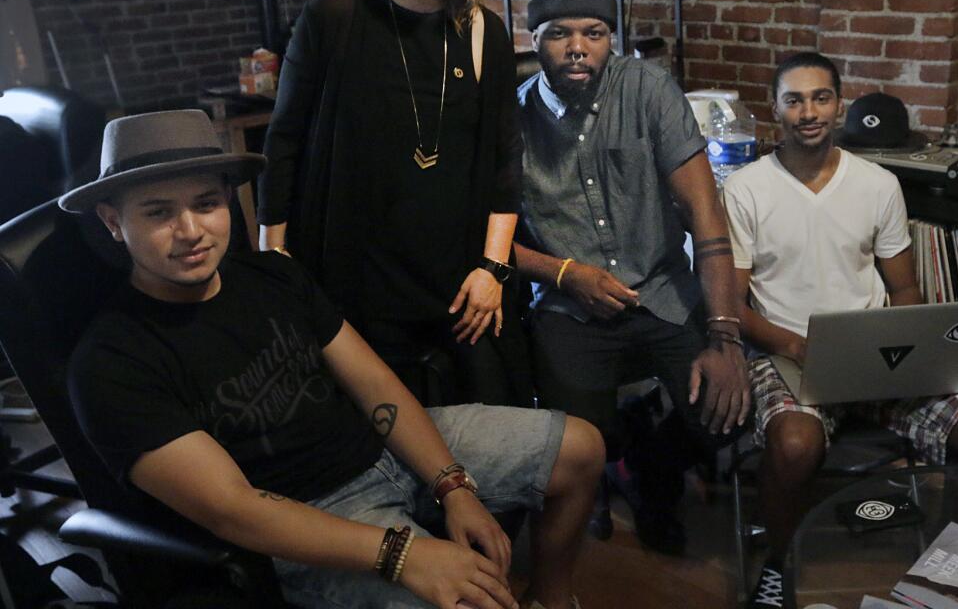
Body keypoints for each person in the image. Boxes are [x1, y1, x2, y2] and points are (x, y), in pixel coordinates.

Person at [61, 109, 603, 609]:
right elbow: (235, 508)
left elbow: (374, 382)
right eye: (158, 212)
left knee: (580, 448)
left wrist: (452, 484)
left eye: (206, 203)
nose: (190, 231)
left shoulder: (274, 276)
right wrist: (405, 554)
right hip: (307, 516)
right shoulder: (110, 363)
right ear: (113, 221)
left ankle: (551, 600)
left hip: (378, 450)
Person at [721, 53, 958, 609]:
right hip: (788, 352)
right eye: (794, 100)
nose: (808, 111)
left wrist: (913, 347)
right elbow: (732, 306)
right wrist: (794, 344)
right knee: (794, 444)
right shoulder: (744, 189)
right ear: (776, 110)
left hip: (881, 357)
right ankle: (780, 565)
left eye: (820, 98)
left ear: (840, 105)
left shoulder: (878, 183)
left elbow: (905, 290)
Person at [257, 0, 529, 406]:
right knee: (380, 449)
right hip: (356, 286)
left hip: (460, 286)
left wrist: (492, 269)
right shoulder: (334, 16)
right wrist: (274, 258)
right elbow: (283, 141)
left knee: (494, 438)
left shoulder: (482, 30)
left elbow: (506, 160)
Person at [511, 0, 750, 554]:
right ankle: (618, 456)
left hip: (662, 290)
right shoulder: (509, 119)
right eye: (559, 33)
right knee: (584, 444)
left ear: (611, 36)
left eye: (594, 32)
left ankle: (653, 466)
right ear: (533, 38)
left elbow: (706, 215)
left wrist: (725, 336)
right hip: (570, 307)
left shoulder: (648, 88)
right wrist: (564, 274)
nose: (577, 48)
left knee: (727, 415)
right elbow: (482, 238)